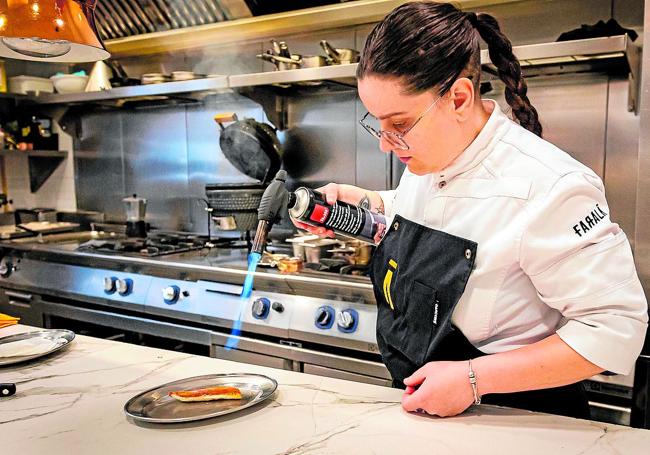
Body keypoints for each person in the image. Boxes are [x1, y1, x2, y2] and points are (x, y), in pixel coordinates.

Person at [292, 1, 648, 419]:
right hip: (428, 405)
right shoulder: (431, 156)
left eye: (399, 124)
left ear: (459, 98)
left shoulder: (552, 186)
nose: (385, 143)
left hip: (518, 419)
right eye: (378, 124)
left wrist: (474, 379)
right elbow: (428, 218)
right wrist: (366, 203)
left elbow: (616, 328)